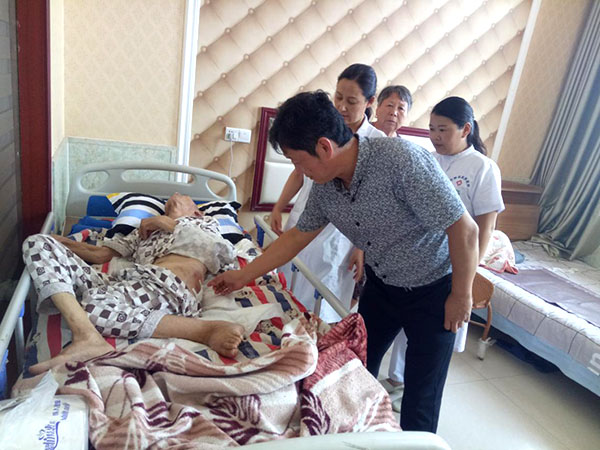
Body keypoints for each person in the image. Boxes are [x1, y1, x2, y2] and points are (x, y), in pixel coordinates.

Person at [209, 91, 479, 432]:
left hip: (434, 290)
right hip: (382, 285)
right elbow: (297, 236)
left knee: (421, 394)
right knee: (356, 367)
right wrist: (242, 276)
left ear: (324, 147)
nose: (299, 170)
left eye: (298, 161)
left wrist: (461, 295)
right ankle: (358, 435)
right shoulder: (326, 187)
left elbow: (465, 229)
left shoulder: (401, 161)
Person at [23, 192, 245, 374]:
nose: (174, 195)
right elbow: (101, 255)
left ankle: (204, 331)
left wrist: (168, 223)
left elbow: (222, 253)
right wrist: (58, 243)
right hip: (126, 282)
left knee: (93, 306)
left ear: (197, 211)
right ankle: (88, 332)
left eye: (184, 196)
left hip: (169, 286)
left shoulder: (205, 224)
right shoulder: (144, 230)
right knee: (36, 243)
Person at [385, 96, 505, 407]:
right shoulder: (426, 159)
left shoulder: (482, 168)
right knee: (406, 329)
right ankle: (396, 380)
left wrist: (468, 276)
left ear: (465, 129)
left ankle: (415, 392)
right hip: (416, 260)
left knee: (433, 335)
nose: (435, 137)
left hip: (452, 265)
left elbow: (485, 228)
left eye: (443, 130)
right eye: (431, 129)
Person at [270, 63, 385, 322]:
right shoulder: (321, 127)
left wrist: (361, 247)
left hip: (340, 232)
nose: (342, 107)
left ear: (369, 102)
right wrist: (279, 206)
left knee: (323, 295)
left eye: (351, 101)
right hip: (305, 216)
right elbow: (298, 172)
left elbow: (374, 206)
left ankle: (314, 339)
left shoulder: (377, 143)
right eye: (338, 97)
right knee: (287, 281)